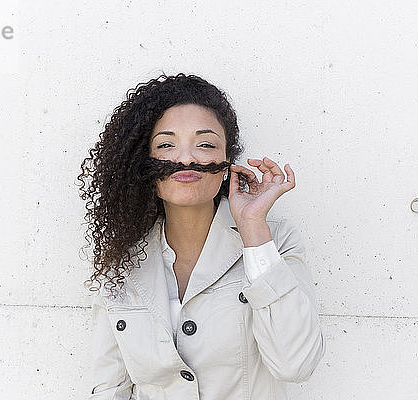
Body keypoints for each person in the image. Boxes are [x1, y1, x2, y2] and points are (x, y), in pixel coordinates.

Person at [77, 72, 325, 399]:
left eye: (205, 144)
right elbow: (109, 387)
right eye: (166, 144)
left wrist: (252, 227)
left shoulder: (273, 242)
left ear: (225, 165)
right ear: (144, 165)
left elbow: (296, 364)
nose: (186, 158)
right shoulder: (121, 262)